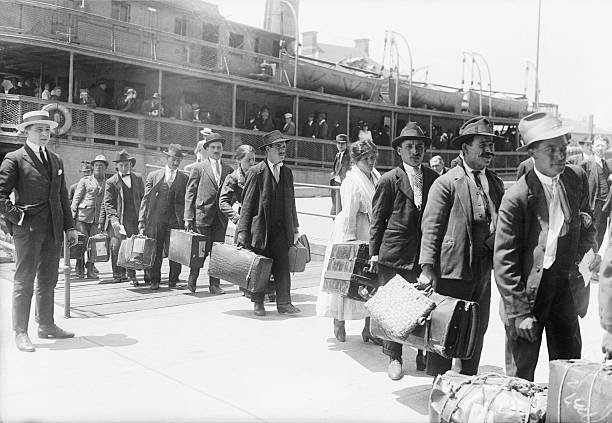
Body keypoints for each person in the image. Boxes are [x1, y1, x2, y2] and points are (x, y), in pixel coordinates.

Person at [494, 112, 597, 381]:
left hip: (562, 286)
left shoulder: (575, 179)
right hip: (528, 292)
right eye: (551, 149)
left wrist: (585, 262)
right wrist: (519, 313)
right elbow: (505, 261)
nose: (560, 156)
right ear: (532, 154)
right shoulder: (517, 197)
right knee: (521, 370)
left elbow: (587, 226)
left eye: (563, 148)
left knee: (570, 365)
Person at [420, 116, 505, 377]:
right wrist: (427, 268)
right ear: (465, 147)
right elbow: (431, 227)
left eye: (491, 144)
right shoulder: (446, 183)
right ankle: (439, 385)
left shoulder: (496, 183)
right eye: (483, 143)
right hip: (452, 270)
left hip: (482, 270)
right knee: (445, 328)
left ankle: (467, 382)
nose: (489, 150)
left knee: (477, 328)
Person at [0, 110, 78, 352]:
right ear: (26, 132)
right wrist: (18, 217)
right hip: (28, 229)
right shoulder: (14, 159)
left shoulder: (56, 160)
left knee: (48, 278)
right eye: (38, 129)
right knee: (24, 280)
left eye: (47, 129)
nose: (44, 134)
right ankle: (20, 332)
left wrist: (70, 226)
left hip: (53, 229)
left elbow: (62, 196)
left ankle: (46, 324)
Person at [370, 123, 439, 379]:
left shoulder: (434, 179)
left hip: (424, 254)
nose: (415, 151)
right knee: (395, 308)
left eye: (419, 146)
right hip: (395, 253)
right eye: (409, 146)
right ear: (399, 150)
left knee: (424, 306)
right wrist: (374, 252)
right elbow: (378, 219)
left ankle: (423, 354)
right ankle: (394, 357)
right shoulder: (389, 180)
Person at [316, 139, 380, 340]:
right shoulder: (351, 181)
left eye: (372, 158)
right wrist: (350, 242)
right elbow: (349, 214)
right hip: (353, 230)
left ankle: (369, 327)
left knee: (371, 280)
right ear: (356, 160)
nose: (370, 162)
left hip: (371, 230)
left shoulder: (376, 177)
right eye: (365, 158)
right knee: (348, 277)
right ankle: (339, 321)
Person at [237, 130, 301, 316]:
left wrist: (295, 228)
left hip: (281, 231)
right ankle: (258, 303)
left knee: (283, 266)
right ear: (267, 149)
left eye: (284, 146)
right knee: (260, 267)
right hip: (261, 230)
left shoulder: (287, 173)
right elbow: (247, 204)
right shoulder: (256, 172)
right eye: (278, 146)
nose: (283, 149)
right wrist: (242, 231)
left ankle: (284, 303)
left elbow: (292, 203)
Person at [184, 133, 233, 295]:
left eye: (219, 147)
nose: (216, 150)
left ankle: (214, 285)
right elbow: (190, 194)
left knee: (217, 253)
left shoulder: (228, 170)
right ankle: (192, 281)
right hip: (202, 216)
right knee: (199, 251)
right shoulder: (199, 168)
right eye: (213, 147)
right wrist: (188, 217)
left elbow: (232, 194)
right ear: (207, 149)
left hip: (220, 219)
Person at [139, 144, 187, 290]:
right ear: (167, 158)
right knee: (156, 250)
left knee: (175, 251)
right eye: (173, 158)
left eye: (179, 159)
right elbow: (145, 199)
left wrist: (187, 220)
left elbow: (187, 200)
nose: (176, 162)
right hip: (156, 220)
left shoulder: (184, 178)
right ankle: (155, 280)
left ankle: (174, 279)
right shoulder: (154, 176)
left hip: (175, 220)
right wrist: (142, 220)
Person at [100, 150, 145, 285]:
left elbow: (143, 198)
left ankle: (132, 275)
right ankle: (117, 274)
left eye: (126, 165)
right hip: (119, 219)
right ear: (117, 166)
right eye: (121, 165)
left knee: (133, 247)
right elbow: (108, 203)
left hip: (134, 218)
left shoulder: (138, 178)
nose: (124, 168)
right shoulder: (111, 182)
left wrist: (143, 218)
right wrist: (114, 220)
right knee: (117, 246)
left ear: (130, 165)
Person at [71, 155, 108, 279]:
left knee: (95, 244)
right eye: (96, 165)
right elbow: (76, 199)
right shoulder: (85, 181)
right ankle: (79, 268)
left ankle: (90, 269)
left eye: (101, 166)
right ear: (93, 167)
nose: (98, 167)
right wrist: (72, 216)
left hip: (97, 219)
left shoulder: (108, 183)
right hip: (82, 217)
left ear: (105, 168)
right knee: (82, 242)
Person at [582, 136, 611, 247]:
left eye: (603, 146)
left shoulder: (606, 165)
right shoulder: (586, 163)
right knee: (589, 236)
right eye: (598, 145)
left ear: (606, 148)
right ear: (593, 148)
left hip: (604, 207)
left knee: (600, 235)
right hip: (593, 205)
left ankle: (594, 260)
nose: (600, 148)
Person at [329, 134, 351, 216]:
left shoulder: (349, 156)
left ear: (346, 144)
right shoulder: (338, 155)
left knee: (339, 212)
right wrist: (334, 174)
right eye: (338, 143)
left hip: (344, 185)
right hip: (336, 185)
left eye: (342, 143)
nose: (340, 145)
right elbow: (335, 169)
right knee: (334, 211)